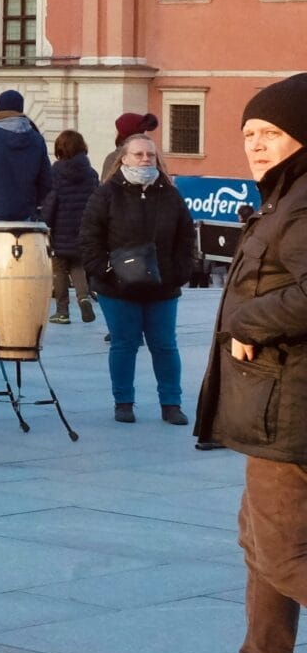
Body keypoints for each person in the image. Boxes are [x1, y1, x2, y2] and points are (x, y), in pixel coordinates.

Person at [196, 73, 307, 653]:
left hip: (287, 412)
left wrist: (248, 320)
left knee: (283, 554)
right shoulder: (283, 197)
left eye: (272, 132)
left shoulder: (301, 204)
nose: (257, 145)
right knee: (259, 545)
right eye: (249, 133)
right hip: (273, 404)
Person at [81, 131, 200, 425]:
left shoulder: (170, 194)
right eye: (138, 154)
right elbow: (89, 240)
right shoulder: (106, 194)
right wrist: (108, 272)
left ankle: (171, 404)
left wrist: (179, 273)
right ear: (124, 158)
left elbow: (186, 237)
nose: (145, 159)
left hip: (162, 286)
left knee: (165, 345)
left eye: (150, 154)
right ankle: (123, 402)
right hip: (117, 288)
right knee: (124, 344)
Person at [42, 129, 101, 326]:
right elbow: (96, 202)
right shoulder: (91, 174)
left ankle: (62, 312)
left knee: (59, 269)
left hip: (60, 229)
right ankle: (83, 297)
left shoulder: (55, 173)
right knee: (78, 265)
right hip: (83, 229)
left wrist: (46, 224)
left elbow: (51, 202)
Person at [0, 89, 52, 223]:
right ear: (21, 109)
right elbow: (46, 180)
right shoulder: (37, 139)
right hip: (25, 211)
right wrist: (32, 203)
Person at [100, 111, 163, 185]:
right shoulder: (154, 156)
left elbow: (105, 186)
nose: (145, 158)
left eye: (117, 130)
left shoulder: (114, 157)